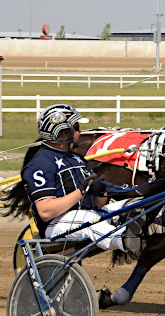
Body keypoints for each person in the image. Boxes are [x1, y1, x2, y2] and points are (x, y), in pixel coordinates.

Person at [20, 104, 141, 252]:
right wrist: (81, 191)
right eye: (76, 128)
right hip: (57, 225)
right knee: (89, 221)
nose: (80, 132)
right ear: (63, 133)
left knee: (138, 204)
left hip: (90, 215)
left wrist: (100, 190)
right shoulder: (40, 164)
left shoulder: (76, 158)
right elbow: (45, 212)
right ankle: (134, 243)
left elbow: (99, 204)